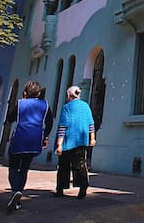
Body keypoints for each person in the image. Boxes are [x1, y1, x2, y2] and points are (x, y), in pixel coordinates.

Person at [5, 80, 53, 212]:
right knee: (24, 168)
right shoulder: (45, 105)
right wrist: (46, 136)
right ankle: (18, 195)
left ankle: (15, 190)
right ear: (38, 93)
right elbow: (49, 122)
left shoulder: (21, 104)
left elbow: (10, 118)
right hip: (34, 140)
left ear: (25, 93)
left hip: (19, 138)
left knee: (13, 167)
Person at [54, 85, 95, 199]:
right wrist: (92, 138)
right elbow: (91, 124)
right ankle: (83, 187)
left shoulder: (66, 107)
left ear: (69, 95)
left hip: (68, 142)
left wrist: (59, 144)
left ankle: (60, 188)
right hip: (82, 141)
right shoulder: (86, 106)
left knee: (63, 166)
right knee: (80, 165)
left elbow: (63, 127)